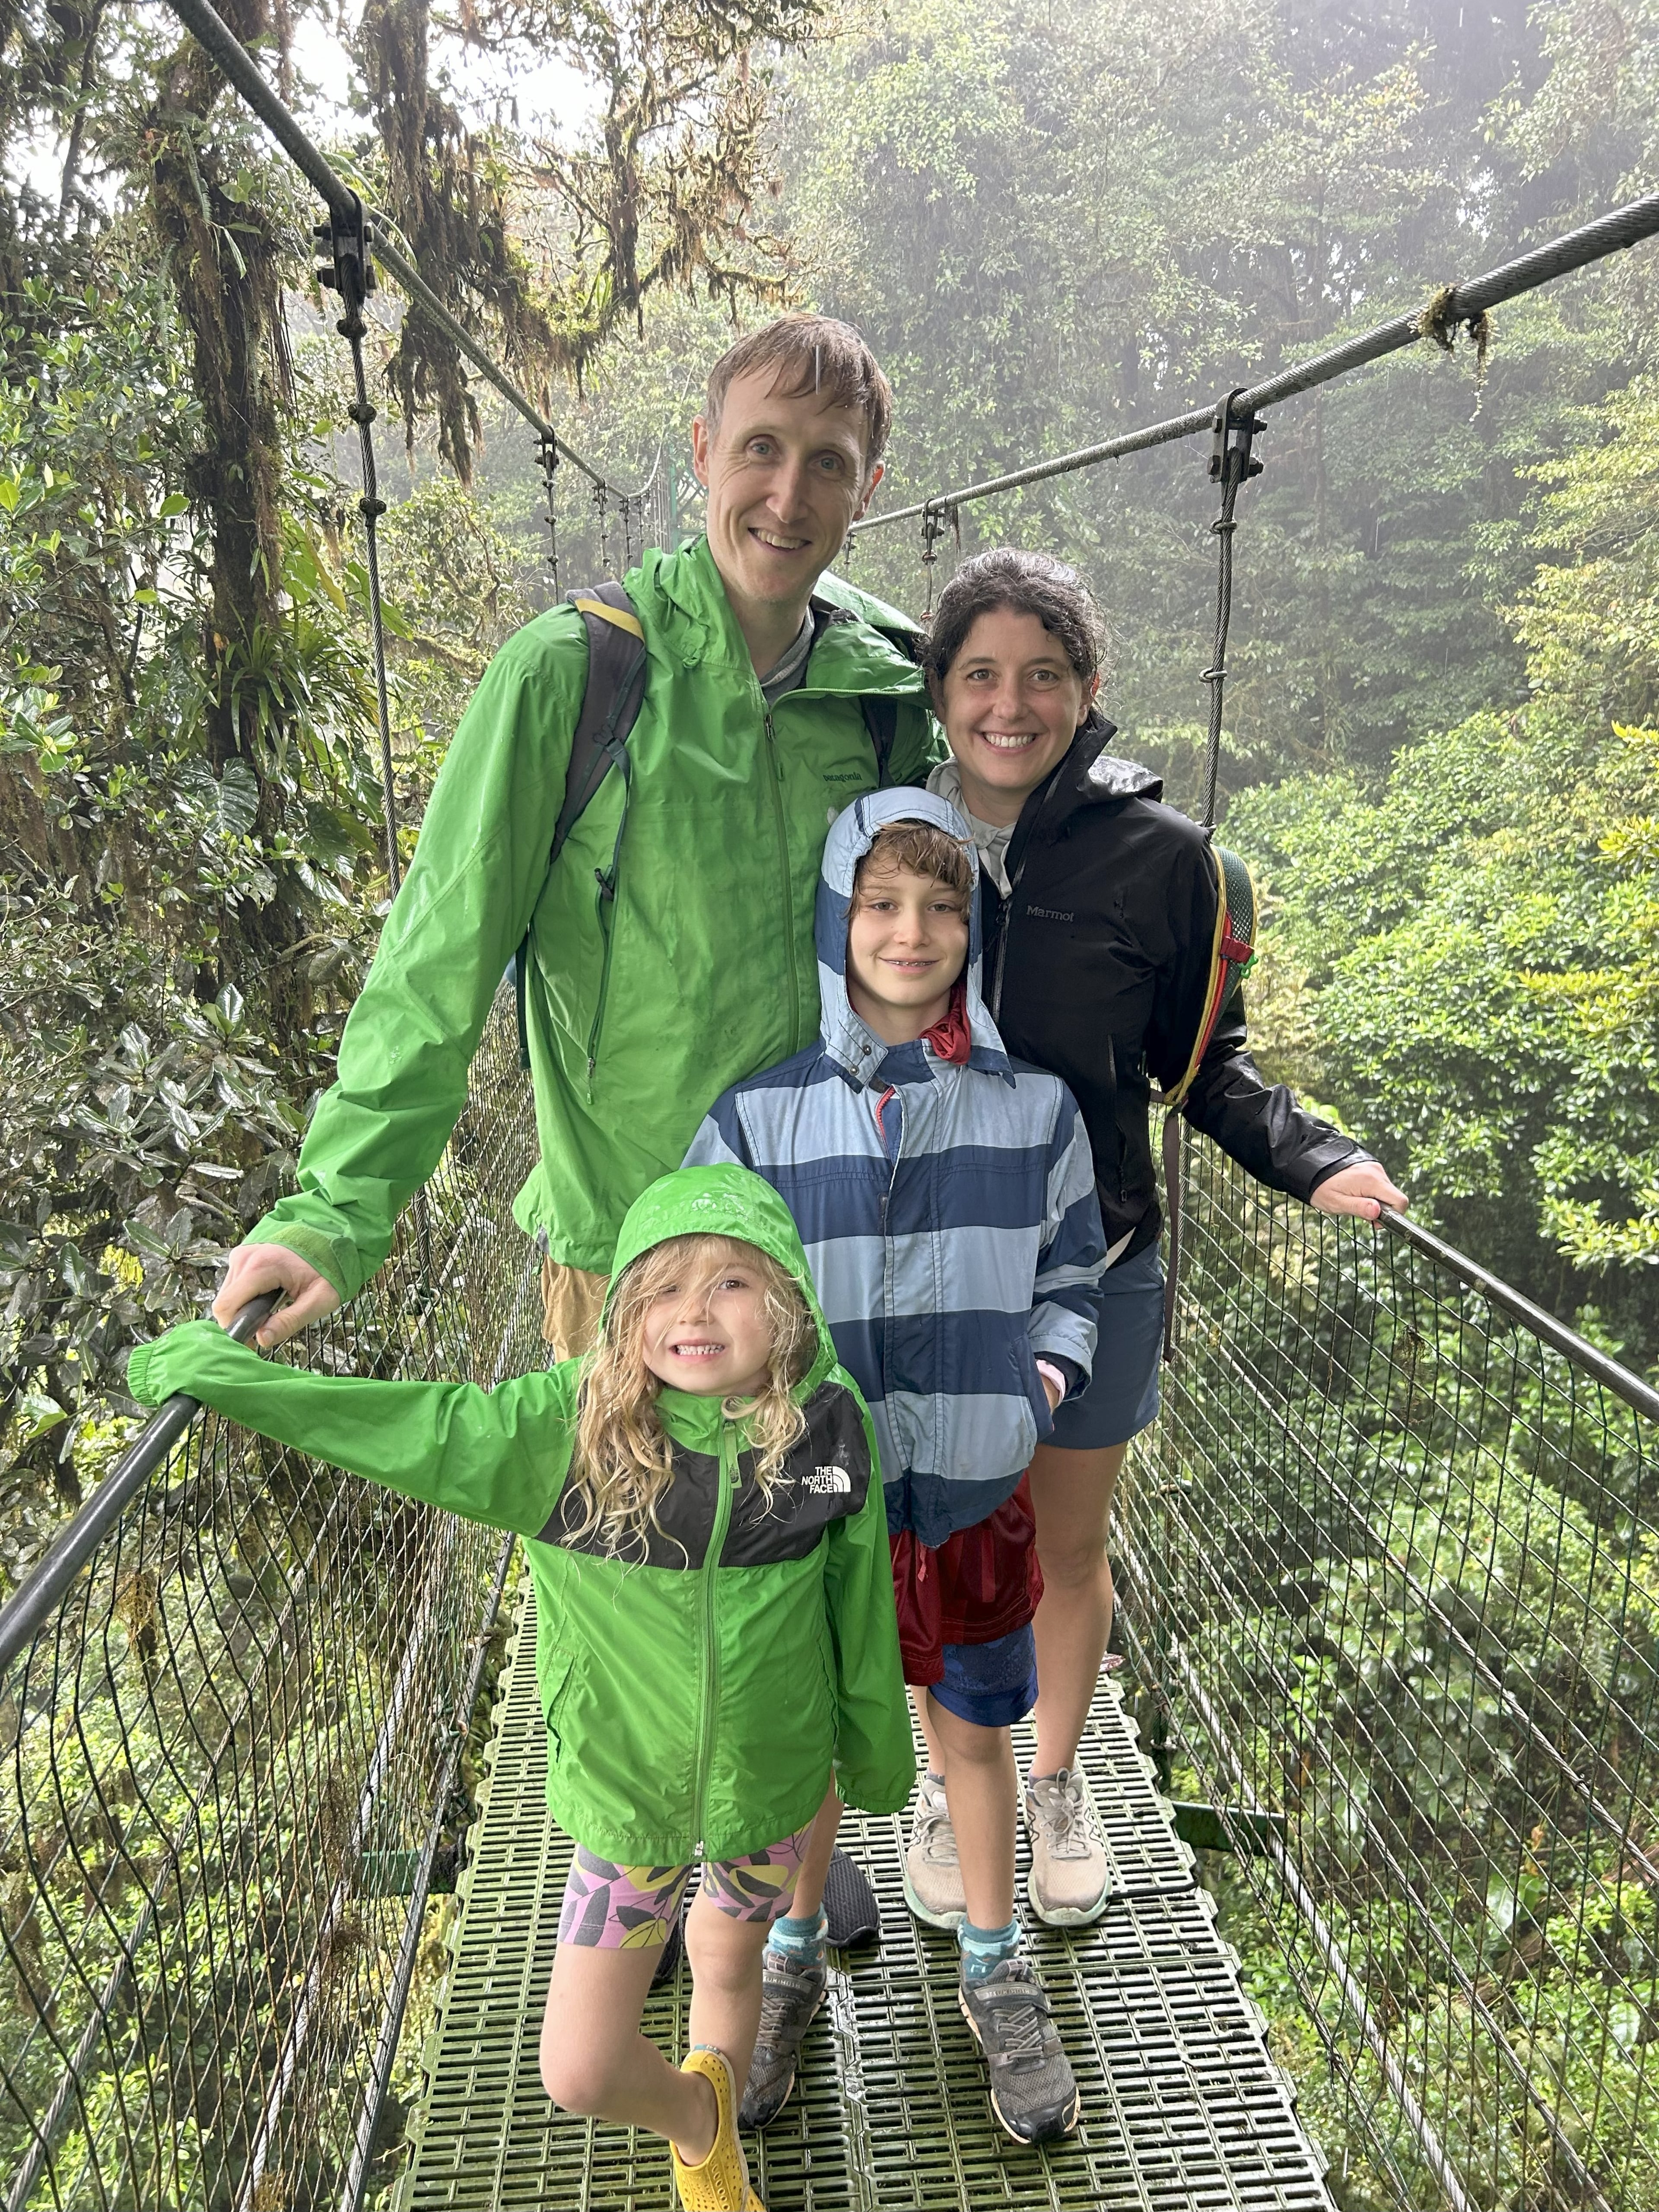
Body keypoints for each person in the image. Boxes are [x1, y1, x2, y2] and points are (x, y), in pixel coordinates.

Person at [130, 1166, 915, 2212]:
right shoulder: (566, 1434)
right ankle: (696, 2119)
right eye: (663, 1288)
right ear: (624, 1311)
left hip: (771, 1790)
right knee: (580, 2066)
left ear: (785, 1305)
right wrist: (231, 1379)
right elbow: (406, 1429)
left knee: (731, 1964)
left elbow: (858, 1607)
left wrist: (871, 1755)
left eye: (731, 1283)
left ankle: (714, 2164)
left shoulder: (826, 1423)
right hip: (628, 1802)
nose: (694, 1311)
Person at [210, 314, 931, 1363]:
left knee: (821, 1530)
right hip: (626, 1260)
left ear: (868, 491)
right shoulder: (570, 674)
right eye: (761, 448)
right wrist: (335, 1213)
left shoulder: (890, 699)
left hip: (826, 1247)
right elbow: (437, 964)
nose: (788, 497)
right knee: (619, 1531)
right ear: (701, 453)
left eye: (829, 463)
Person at [918, 548, 1408, 1928]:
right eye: (980, 676)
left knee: (1067, 1548)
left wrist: (1311, 1157)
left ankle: (1058, 1786)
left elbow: (1206, 1064)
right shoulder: (889, 837)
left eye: (1044, 676)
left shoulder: (1166, 861)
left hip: (1099, 1261)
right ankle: (967, 1792)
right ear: (942, 691)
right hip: (933, 1272)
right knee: (946, 1535)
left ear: (1088, 690)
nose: (1010, 705)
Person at [685, 790, 1107, 2147]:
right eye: (880, 904)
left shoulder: (1033, 1111)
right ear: (835, 923)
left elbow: (1072, 1276)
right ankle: (794, 1957)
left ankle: (996, 1969)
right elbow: (697, 1285)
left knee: (972, 1736)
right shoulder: (757, 1120)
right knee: (806, 1748)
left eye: (941, 905)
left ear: (971, 926)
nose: (911, 931)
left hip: (976, 1496)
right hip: (813, 1505)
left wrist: (1036, 1389)